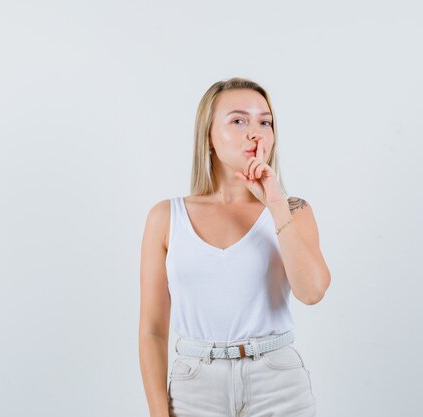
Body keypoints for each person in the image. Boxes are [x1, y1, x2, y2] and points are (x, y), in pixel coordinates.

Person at [139, 77, 331, 417]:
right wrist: (158, 413)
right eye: (238, 120)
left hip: (278, 384)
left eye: (264, 121)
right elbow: (153, 331)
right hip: (194, 387)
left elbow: (312, 291)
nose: (255, 132)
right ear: (208, 137)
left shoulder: (293, 210)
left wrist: (274, 203)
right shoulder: (166, 218)